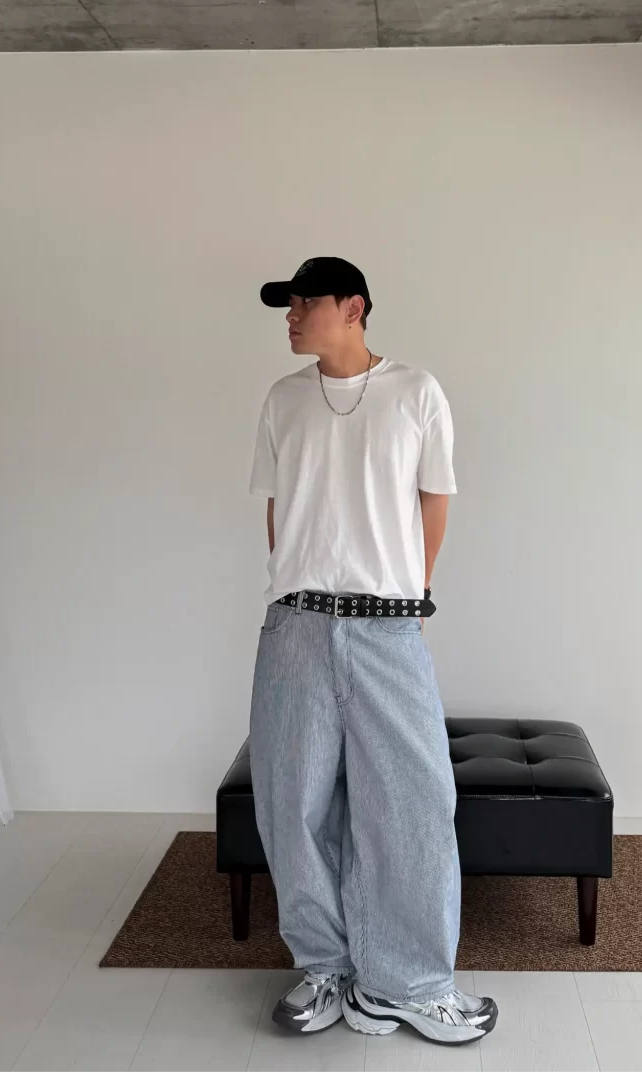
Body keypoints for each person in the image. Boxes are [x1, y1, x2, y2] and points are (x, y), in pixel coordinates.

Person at [247, 256, 498, 1046]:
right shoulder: (283, 399)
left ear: (353, 307)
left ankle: (407, 983)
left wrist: (413, 593)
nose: (291, 316)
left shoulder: (415, 392)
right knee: (292, 802)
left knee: (413, 801)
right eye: (286, 305)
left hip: (388, 624)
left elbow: (435, 499)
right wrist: (290, 585)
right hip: (296, 626)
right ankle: (325, 967)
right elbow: (279, 508)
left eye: (304, 302)